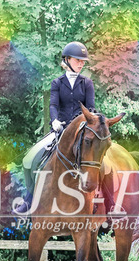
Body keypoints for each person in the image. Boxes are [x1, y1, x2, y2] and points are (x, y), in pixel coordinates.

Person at [16, 41, 96, 214]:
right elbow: (53, 105)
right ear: (67, 60)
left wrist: (85, 125)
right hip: (60, 129)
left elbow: (91, 109)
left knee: (100, 160)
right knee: (28, 160)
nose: (81, 64)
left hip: (82, 132)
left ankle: (105, 201)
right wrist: (54, 121)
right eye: (78, 60)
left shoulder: (87, 83)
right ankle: (29, 200)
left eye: (83, 61)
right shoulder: (57, 83)